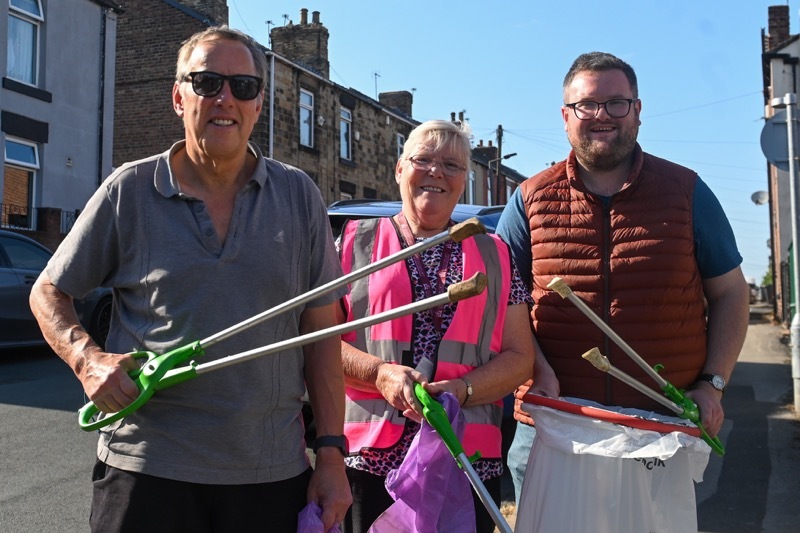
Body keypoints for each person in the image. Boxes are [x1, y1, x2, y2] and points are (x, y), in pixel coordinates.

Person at [29, 26, 351, 531]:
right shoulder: (128, 190)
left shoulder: (298, 196)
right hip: (146, 472)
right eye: (206, 83)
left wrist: (331, 452)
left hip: (269, 476)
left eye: (242, 86)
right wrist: (86, 359)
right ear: (179, 97)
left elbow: (321, 338)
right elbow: (49, 290)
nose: (225, 98)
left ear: (259, 103)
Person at [496, 51, 751, 506]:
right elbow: (501, 304)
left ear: (637, 110)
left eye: (617, 103)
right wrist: (534, 367)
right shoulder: (528, 199)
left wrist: (713, 384)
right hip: (555, 428)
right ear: (565, 116)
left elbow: (731, 292)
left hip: (659, 430)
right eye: (587, 105)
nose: (601, 116)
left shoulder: (687, 191)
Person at [336, 119, 539, 533]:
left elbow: (521, 358)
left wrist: (463, 390)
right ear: (399, 169)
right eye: (423, 160)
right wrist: (380, 373)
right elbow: (320, 344)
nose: (436, 172)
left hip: (465, 459)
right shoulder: (352, 243)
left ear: (465, 179)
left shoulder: (497, 253)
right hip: (373, 460)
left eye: (451, 164)